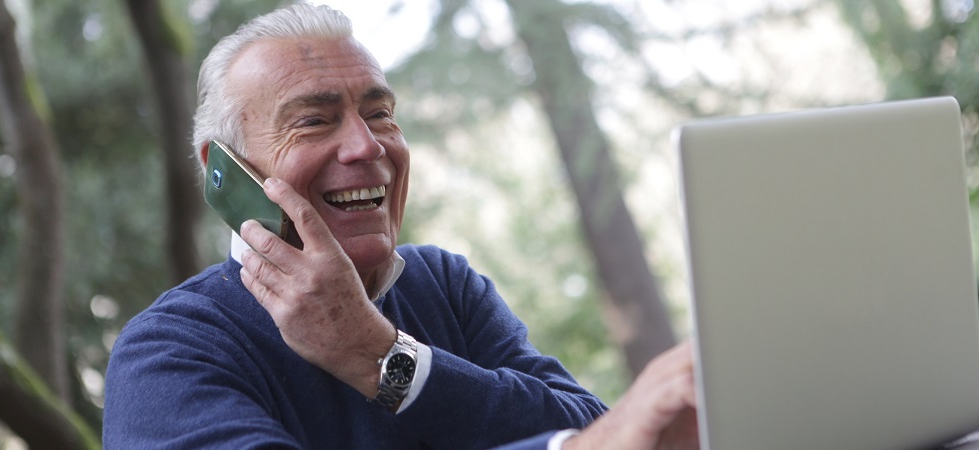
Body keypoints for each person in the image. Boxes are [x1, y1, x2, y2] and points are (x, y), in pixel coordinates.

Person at [103, 3, 697, 449]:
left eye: (380, 113)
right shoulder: (166, 353)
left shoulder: (443, 284)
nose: (367, 145)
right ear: (223, 172)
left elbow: (600, 431)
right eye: (314, 121)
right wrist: (381, 363)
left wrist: (382, 356)